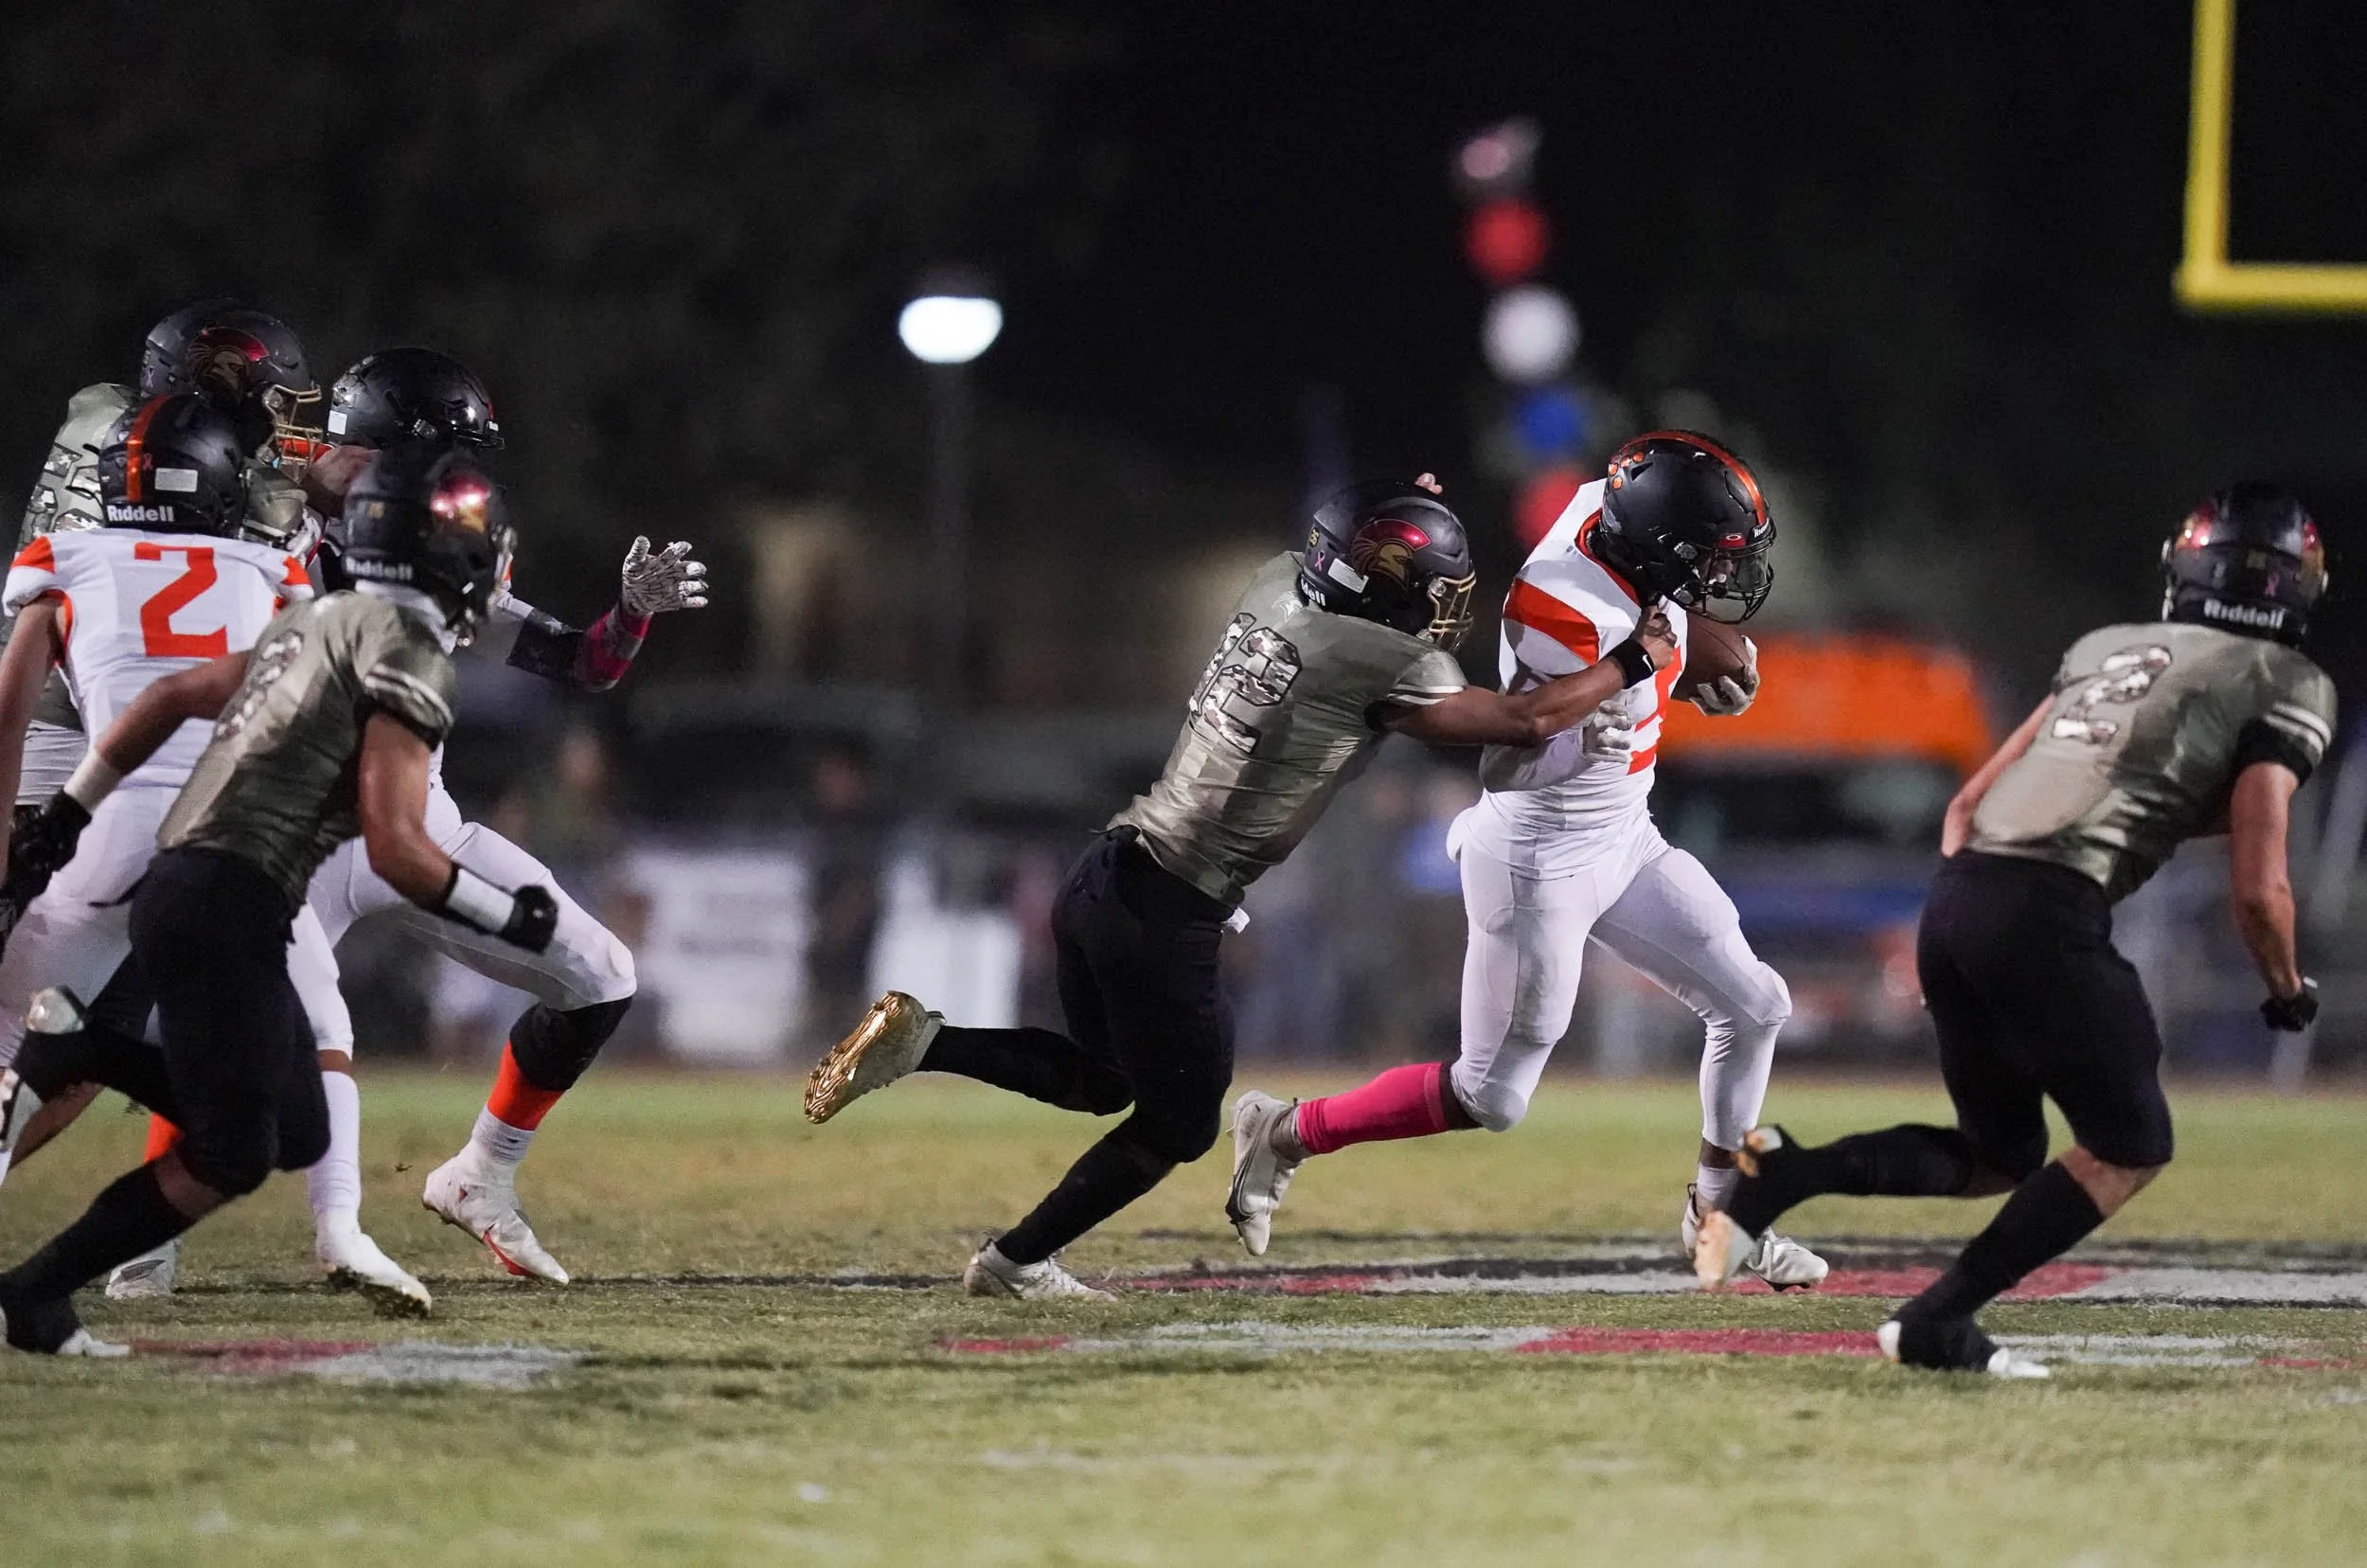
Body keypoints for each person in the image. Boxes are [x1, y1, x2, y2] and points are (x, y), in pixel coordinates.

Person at [801, 473, 1678, 1298]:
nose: (1442, 602)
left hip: (1107, 871)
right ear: (1388, 583)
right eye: (1430, 584)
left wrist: (1390, 505)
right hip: (1169, 906)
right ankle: (1015, 1261)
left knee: (1102, 1080)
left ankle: (922, 1041)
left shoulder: (1275, 583)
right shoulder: (1376, 660)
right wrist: (1631, 661)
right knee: (1181, 1126)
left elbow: (1346, 548)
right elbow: (1525, 720)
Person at [1694, 485, 2338, 1378]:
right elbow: (2261, 889)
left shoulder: (2111, 649)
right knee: (2131, 1144)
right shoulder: (2288, 681)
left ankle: (1789, 1171)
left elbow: (1967, 804)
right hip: (2046, 910)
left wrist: (1974, 929)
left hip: (1960, 896)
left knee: (2000, 1155)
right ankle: (1937, 1319)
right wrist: (2287, 989)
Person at [120, 346, 708, 1294]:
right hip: (297, 833)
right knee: (237, 1026)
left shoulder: (419, 543)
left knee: (601, 973)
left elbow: (580, 662)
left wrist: (630, 613)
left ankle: (480, 1174)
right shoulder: (264, 533)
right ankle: (147, 1238)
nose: (456, 481)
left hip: (418, 824)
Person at [1225, 433, 1826, 1289]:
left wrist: (1688, 656)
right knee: (1492, 1096)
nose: (1723, 575)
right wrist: (1589, 728)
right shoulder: (1560, 609)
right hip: (1540, 853)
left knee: (1756, 1004)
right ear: (1658, 543)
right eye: (1710, 557)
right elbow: (1506, 764)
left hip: (1625, 834)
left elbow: (1658, 608)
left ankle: (1718, 1217)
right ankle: (1284, 1130)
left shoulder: (1610, 515)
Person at [0, 447, 551, 1355]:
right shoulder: (404, 652)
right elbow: (398, 848)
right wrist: (507, 914)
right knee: (237, 1145)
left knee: (289, 1129)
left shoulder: (323, 617)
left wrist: (71, 811)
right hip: (230, 891)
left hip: (201, 880)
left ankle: (79, 1061)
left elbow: (171, 694)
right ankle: (37, 1283)